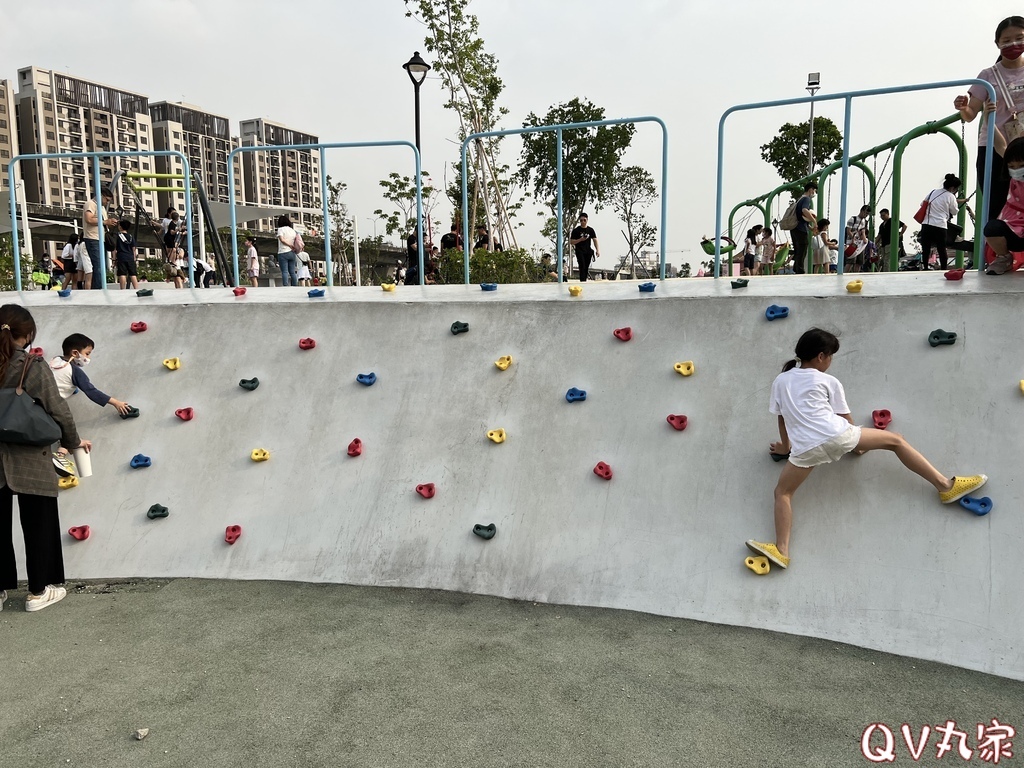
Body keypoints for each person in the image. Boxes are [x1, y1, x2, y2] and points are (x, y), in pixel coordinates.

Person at [746, 328, 988, 570]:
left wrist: (784, 448)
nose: (830, 361)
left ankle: (782, 550)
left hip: (805, 450)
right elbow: (845, 418)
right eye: (831, 356)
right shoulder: (828, 381)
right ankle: (946, 486)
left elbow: (782, 418)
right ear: (821, 356)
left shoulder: (781, 380)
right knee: (896, 441)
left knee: (783, 493)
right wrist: (857, 445)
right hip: (837, 434)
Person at [0, 305, 92, 613]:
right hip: (28, 454)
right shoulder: (31, 365)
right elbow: (57, 409)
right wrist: (72, 441)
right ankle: (38, 592)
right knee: (39, 521)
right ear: (26, 335)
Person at [953, 16, 1024, 223]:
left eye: (1019, 38)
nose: (1013, 44)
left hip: (1021, 145)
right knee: (997, 205)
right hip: (994, 146)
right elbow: (970, 114)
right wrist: (964, 107)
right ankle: (998, 253)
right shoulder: (988, 75)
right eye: (1007, 40)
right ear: (998, 43)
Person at [49, 333, 131, 416]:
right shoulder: (75, 372)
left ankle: (71, 387)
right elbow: (91, 391)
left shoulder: (56, 359)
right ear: (75, 353)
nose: (88, 358)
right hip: (51, 401)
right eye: (87, 354)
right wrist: (116, 403)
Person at [983, 135, 1024, 274]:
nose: (1016, 170)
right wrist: (989, 118)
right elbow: (1001, 146)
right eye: (1012, 166)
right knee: (992, 228)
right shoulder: (1014, 179)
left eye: (1021, 166)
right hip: (1013, 228)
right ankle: (1004, 257)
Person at [918, 174, 963, 271]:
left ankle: (925, 267)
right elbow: (954, 211)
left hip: (926, 224)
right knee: (941, 248)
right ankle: (943, 268)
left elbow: (922, 204)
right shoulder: (950, 196)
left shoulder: (933, 192)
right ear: (952, 188)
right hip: (940, 225)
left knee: (926, 248)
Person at [82, 188, 115, 290]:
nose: (107, 202)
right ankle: (98, 289)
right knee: (98, 266)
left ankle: (99, 287)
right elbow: (89, 219)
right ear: (101, 196)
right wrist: (105, 222)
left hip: (101, 239)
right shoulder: (90, 204)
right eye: (107, 200)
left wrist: (109, 223)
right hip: (92, 238)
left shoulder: (102, 208)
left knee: (102, 266)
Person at [792, 182, 819, 274]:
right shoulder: (806, 199)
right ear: (810, 189)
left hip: (795, 227)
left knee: (798, 249)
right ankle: (800, 269)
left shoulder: (799, 199)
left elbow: (800, 216)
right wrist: (814, 221)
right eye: (814, 190)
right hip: (801, 229)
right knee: (803, 248)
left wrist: (810, 228)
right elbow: (804, 210)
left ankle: (796, 267)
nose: (814, 192)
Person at [569, 214, 600, 282]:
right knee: (582, 265)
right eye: (581, 220)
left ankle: (584, 280)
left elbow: (595, 240)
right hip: (579, 250)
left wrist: (597, 250)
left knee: (586, 267)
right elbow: (571, 242)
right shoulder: (576, 230)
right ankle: (582, 280)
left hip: (588, 251)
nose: (583, 222)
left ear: (587, 220)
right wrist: (580, 239)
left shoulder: (590, 230)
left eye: (584, 220)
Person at [113, 219, 139, 291]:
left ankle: (123, 290)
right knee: (133, 274)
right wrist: (134, 258)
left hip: (121, 257)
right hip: (130, 257)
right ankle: (136, 289)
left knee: (122, 274)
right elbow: (134, 249)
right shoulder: (130, 237)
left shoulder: (117, 236)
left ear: (120, 227)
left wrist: (114, 260)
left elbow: (115, 249)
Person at [276, 215, 299, 287]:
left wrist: (289, 245)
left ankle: (285, 286)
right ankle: (295, 285)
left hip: (283, 252)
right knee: (292, 272)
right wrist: (292, 246)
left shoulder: (280, 229)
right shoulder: (293, 231)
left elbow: (282, 240)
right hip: (292, 253)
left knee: (285, 271)